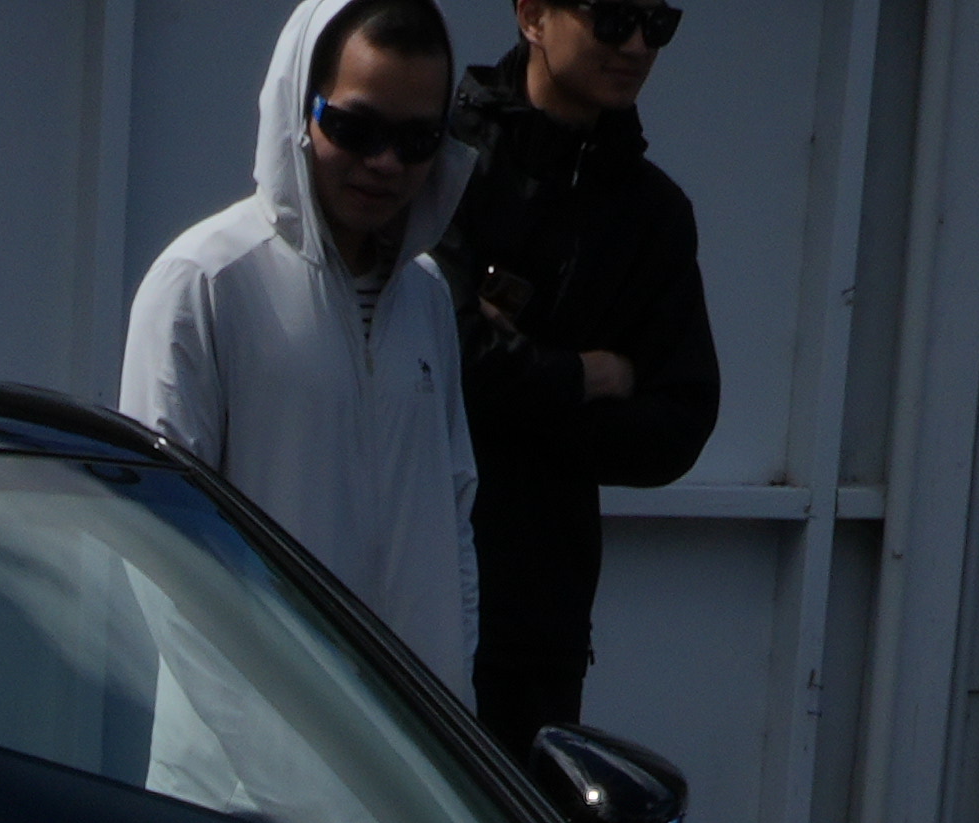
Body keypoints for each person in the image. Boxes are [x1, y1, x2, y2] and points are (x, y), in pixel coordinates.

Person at [120, 0, 477, 694]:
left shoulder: (426, 298)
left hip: (406, 749)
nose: (385, 163)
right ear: (298, 110)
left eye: (417, 139)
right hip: (244, 753)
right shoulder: (205, 281)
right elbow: (162, 553)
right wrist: (262, 744)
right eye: (355, 128)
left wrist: (451, 709)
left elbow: (455, 525)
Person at [439, 0, 720, 755]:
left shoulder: (652, 212)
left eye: (658, 25)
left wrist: (517, 385)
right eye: (612, 18)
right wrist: (588, 373)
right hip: (403, 589)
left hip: (537, 626)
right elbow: (445, 362)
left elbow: (679, 424)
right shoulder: (442, 164)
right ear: (533, 15)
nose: (637, 45)